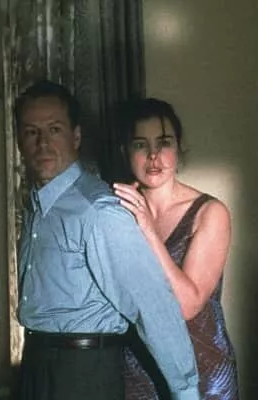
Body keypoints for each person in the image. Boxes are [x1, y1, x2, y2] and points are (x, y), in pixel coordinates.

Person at [15, 80, 200, 400]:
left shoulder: (99, 210)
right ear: (19, 140)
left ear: (76, 136)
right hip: (35, 366)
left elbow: (152, 305)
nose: (43, 143)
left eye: (54, 130)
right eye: (32, 132)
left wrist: (186, 391)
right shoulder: (37, 206)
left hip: (83, 374)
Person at [113, 98, 239, 399]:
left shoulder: (210, 212)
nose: (153, 155)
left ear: (179, 147)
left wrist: (148, 230)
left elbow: (187, 305)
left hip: (203, 373)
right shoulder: (115, 212)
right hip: (136, 370)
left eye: (164, 142)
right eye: (140, 145)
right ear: (125, 151)